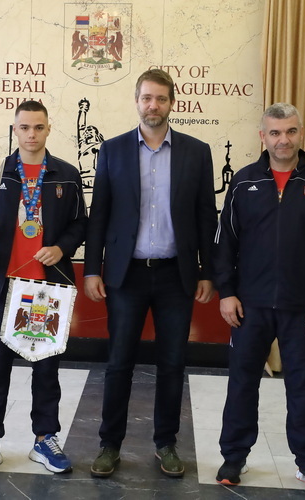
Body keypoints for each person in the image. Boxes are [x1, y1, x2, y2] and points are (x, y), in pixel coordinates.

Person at [84, 69, 218, 478]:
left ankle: (166, 443)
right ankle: (109, 445)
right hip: (127, 276)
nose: (153, 105)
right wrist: (91, 269)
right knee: (119, 363)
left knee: (173, 363)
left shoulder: (197, 152)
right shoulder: (113, 150)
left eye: (161, 98)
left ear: (172, 102)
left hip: (177, 276)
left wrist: (207, 271)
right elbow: (99, 213)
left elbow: (205, 216)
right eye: (146, 98)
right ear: (136, 101)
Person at [213, 103, 305, 497]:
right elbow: (224, 242)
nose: (282, 140)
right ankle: (234, 457)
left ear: (300, 133)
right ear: (263, 137)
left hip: (302, 309)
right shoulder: (243, 182)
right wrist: (227, 292)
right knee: (242, 385)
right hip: (249, 307)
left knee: (304, 389)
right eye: (274, 133)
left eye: (290, 131)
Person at [0, 100, 87, 478]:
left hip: (47, 288)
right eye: (24, 127)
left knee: (46, 368)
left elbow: (80, 224)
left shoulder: (66, 174)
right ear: (14, 130)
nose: (31, 134)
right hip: (4, 286)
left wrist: (61, 248)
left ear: (48, 129)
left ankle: (44, 438)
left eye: (38, 127)